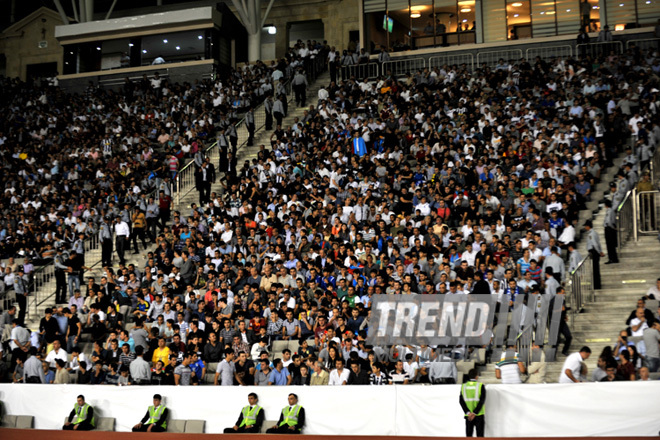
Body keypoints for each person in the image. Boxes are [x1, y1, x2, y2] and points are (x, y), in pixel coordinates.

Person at [459, 369, 486, 437]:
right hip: (479, 414)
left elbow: (461, 401)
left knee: (469, 436)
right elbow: (482, 400)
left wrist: (468, 412)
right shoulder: (480, 386)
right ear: (476, 376)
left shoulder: (463, 386)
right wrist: (475, 412)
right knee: (480, 436)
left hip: (468, 416)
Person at [584, 220, 603, 289]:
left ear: (588, 226)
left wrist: (598, 251)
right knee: (595, 269)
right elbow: (598, 243)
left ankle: (596, 285)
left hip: (594, 251)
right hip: (594, 251)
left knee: (595, 269)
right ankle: (596, 284)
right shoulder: (594, 233)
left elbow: (595, 244)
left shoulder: (591, 234)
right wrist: (600, 251)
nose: (585, 228)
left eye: (585, 226)